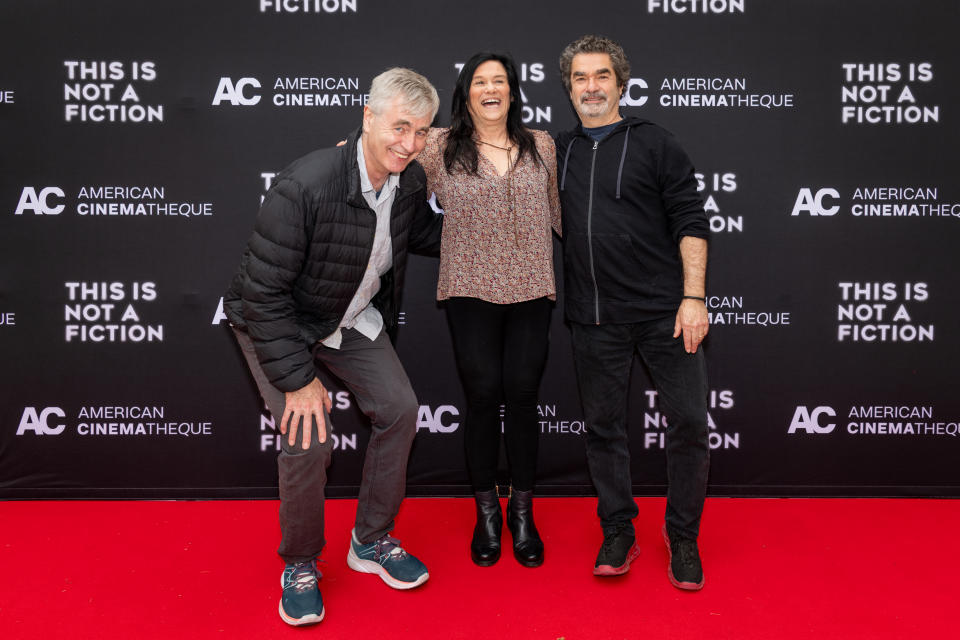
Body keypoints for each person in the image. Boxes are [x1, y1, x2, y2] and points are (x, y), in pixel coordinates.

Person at [222, 67, 443, 626]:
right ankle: (299, 563)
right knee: (309, 437)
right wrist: (298, 382)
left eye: (421, 132)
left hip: (344, 314)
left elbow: (419, 235)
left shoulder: (411, 181)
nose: (409, 143)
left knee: (399, 410)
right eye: (399, 127)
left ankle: (370, 541)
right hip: (274, 321)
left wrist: (499, 223)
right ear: (366, 117)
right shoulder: (307, 183)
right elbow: (263, 292)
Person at [555, 35, 711, 590]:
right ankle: (618, 528)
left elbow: (691, 221)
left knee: (690, 424)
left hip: (666, 312)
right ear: (569, 87)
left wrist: (693, 298)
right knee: (603, 429)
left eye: (601, 76)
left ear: (621, 82)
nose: (591, 87)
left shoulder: (657, 143)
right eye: (580, 77)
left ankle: (684, 536)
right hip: (594, 316)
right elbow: (485, 159)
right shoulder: (558, 151)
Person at [416, 52, 562, 568]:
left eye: (500, 80)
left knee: (522, 396)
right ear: (466, 91)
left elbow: (562, 215)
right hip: (468, 288)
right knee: (481, 397)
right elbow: (385, 152)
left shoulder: (540, 144)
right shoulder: (437, 145)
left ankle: (521, 510)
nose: (491, 89)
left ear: (514, 91)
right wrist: (352, 149)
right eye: (480, 81)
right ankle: (486, 513)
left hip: (530, 288)